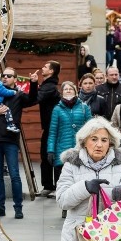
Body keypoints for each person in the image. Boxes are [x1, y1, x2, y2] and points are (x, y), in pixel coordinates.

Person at [0, 67, 39, 218]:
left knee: (14, 175)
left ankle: (18, 208)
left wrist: (33, 83)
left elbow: (32, 99)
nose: (5, 77)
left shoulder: (17, 95)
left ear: (15, 79)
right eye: (3, 75)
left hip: (10, 140)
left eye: (8, 76)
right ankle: (0, 207)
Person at [47, 81, 92, 217]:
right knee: (65, 180)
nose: (67, 91)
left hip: (80, 149)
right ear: (62, 92)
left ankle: (79, 205)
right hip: (63, 149)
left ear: (75, 91)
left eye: (70, 89)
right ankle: (65, 206)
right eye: (65, 89)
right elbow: (53, 131)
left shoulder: (84, 108)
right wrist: (50, 150)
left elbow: (90, 128)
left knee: (79, 178)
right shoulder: (57, 109)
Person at [37, 60, 61, 197]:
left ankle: (54, 186)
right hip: (48, 127)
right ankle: (48, 185)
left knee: (52, 156)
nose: (42, 68)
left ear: (51, 71)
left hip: (53, 128)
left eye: (45, 66)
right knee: (45, 156)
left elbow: (37, 98)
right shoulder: (47, 85)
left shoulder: (50, 86)